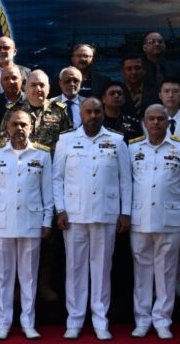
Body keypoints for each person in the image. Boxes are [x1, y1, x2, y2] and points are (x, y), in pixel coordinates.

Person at [53, 98, 131, 341]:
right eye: (89, 111)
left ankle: (100, 320)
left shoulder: (116, 140)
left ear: (103, 114)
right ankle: (74, 320)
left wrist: (125, 212)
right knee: (74, 268)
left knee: (101, 269)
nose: (94, 115)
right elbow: (57, 178)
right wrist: (60, 210)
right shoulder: (66, 140)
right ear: (82, 114)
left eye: (98, 111)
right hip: (74, 214)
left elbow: (125, 180)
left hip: (105, 213)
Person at [127, 104, 180, 339]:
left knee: (167, 272)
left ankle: (162, 320)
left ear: (168, 123)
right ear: (145, 123)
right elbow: (127, 183)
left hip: (169, 219)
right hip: (140, 219)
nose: (156, 123)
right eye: (152, 119)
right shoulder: (133, 147)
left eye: (161, 119)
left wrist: (174, 203)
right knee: (142, 272)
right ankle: (142, 319)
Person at [0, 110, 52, 340]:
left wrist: (47, 220)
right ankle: (3, 323)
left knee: (28, 276)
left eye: (24, 124)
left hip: (32, 222)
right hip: (3, 223)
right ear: (7, 127)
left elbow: (47, 192)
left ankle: (27, 322)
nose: (19, 128)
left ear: (31, 127)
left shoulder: (41, 155)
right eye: (15, 124)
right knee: (3, 276)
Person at [1, 69, 70, 147]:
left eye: (42, 85)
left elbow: (67, 142)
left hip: (51, 158)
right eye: (33, 85)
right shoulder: (13, 111)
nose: (38, 89)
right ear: (25, 89)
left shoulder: (59, 110)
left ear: (48, 88)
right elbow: (4, 143)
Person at [0, 63, 26, 134]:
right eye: (6, 79)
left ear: (21, 80)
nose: (10, 82)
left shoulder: (31, 101)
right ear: (1, 82)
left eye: (14, 78)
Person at [121, 53, 158, 118]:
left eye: (137, 68)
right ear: (122, 72)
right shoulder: (117, 93)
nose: (134, 72)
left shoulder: (156, 93)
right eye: (129, 69)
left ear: (144, 70)